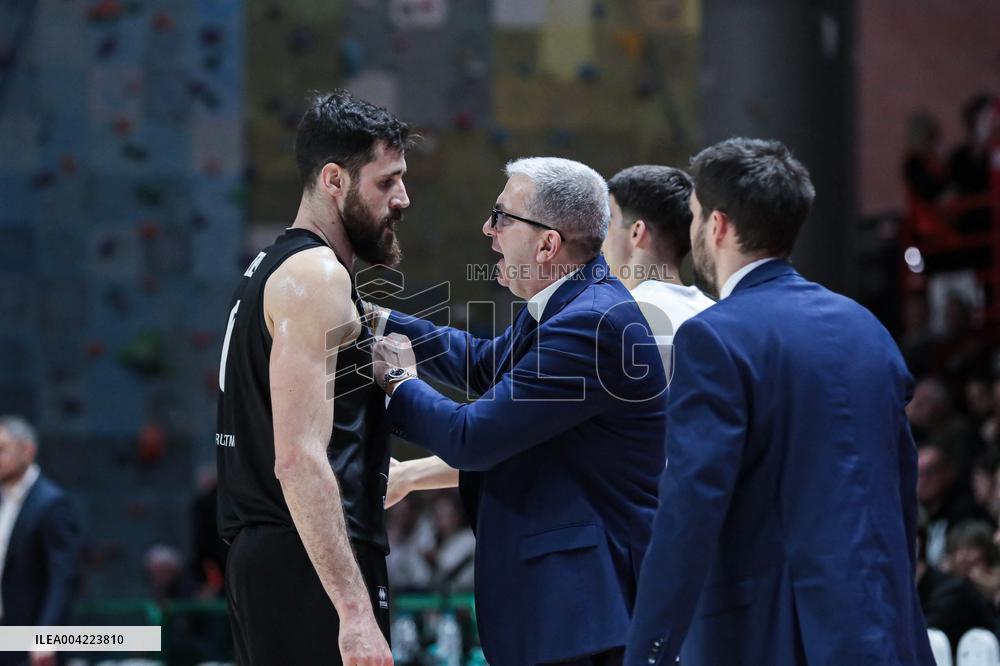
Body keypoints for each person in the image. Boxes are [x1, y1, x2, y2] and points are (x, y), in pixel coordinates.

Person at [624, 138, 935, 665]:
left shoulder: (713, 338)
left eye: (696, 215)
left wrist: (648, 653)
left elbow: (688, 512)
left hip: (772, 637)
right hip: (886, 628)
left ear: (717, 226)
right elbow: (902, 493)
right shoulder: (868, 330)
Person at [371, 157, 668, 665]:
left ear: (547, 244)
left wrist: (398, 382)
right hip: (568, 612)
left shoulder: (591, 324)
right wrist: (373, 321)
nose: (489, 230)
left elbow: (473, 437)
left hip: (583, 616)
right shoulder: (572, 306)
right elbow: (482, 363)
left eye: (501, 216)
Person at [215, 90, 410, 666]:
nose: (403, 198)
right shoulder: (316, 277)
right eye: (386, 182)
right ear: (334, 180)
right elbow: (297, 459)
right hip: (305, 565)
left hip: (281, 558)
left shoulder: (275, 268)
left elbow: (348, 459)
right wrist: (354, 614)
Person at [602, 164, 715, 380]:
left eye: (608, 223)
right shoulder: (719, 314)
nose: (601, 238)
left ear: (637, 231)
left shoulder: (609, 320)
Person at [0, 416, 81, 666]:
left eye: (1, 449)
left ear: (28, 450)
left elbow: (62, 577)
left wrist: (47, 636)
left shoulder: (50, 503)